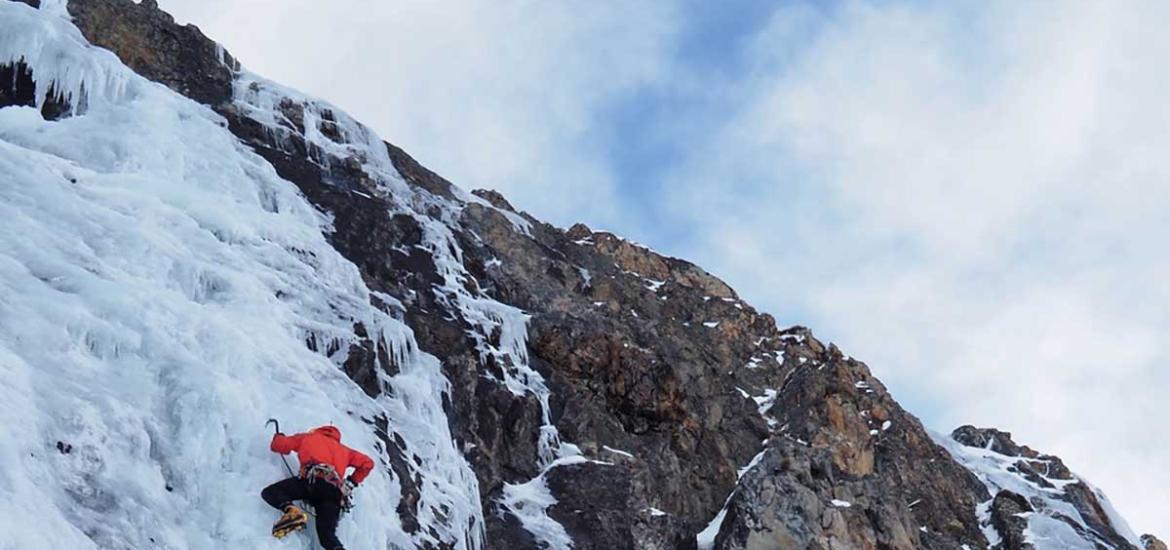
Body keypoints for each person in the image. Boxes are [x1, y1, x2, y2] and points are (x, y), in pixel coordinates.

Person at [260, 425, 375, 550]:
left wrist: (279, 437)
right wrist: (352, 481)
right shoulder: (345, 450)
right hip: (334, 493)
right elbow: (368, 463)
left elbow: (278, 445)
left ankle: (292, 511)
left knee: (270, 493)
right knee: (327, 536)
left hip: (312, 482)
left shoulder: (308, 437)